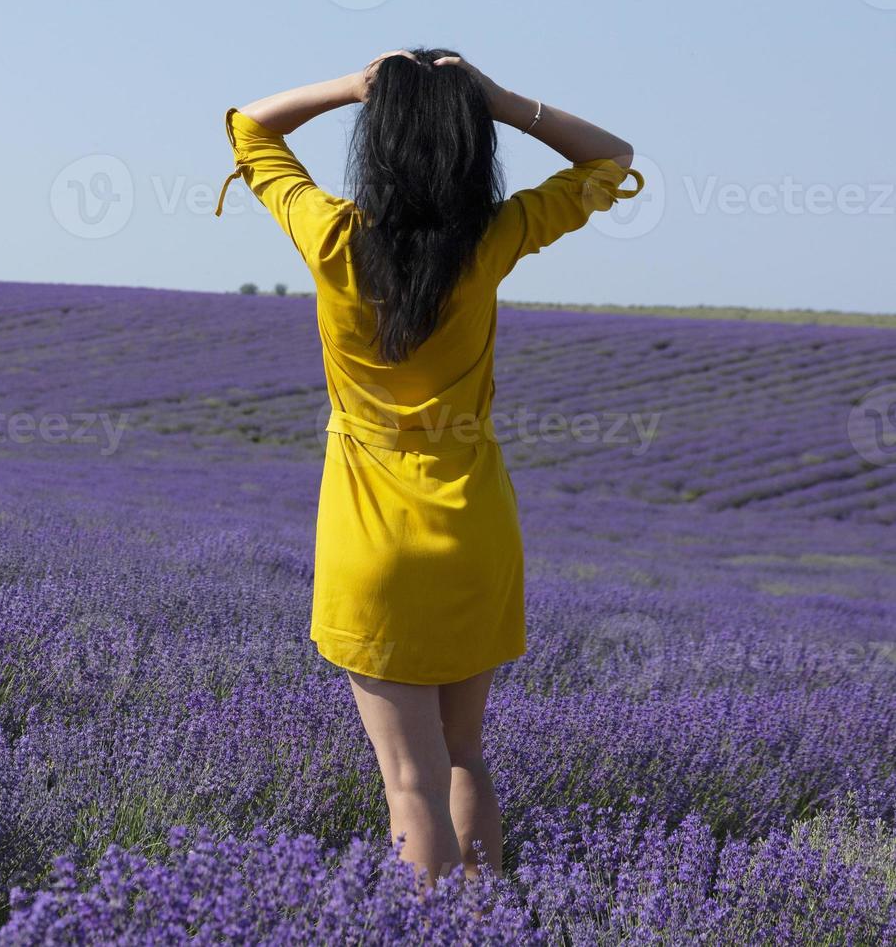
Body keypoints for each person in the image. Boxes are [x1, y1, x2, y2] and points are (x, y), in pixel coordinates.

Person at [218, 48, 642, 884]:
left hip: (371, 548)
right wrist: (499, 99)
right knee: (465, 759)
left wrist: (352, 85)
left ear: (376, 143)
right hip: (475, 532)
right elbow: (611, 159)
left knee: (407, 781)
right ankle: (484, 923)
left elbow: (250, 126)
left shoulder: (332, 236)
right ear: (467, 145)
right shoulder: (491, 241)